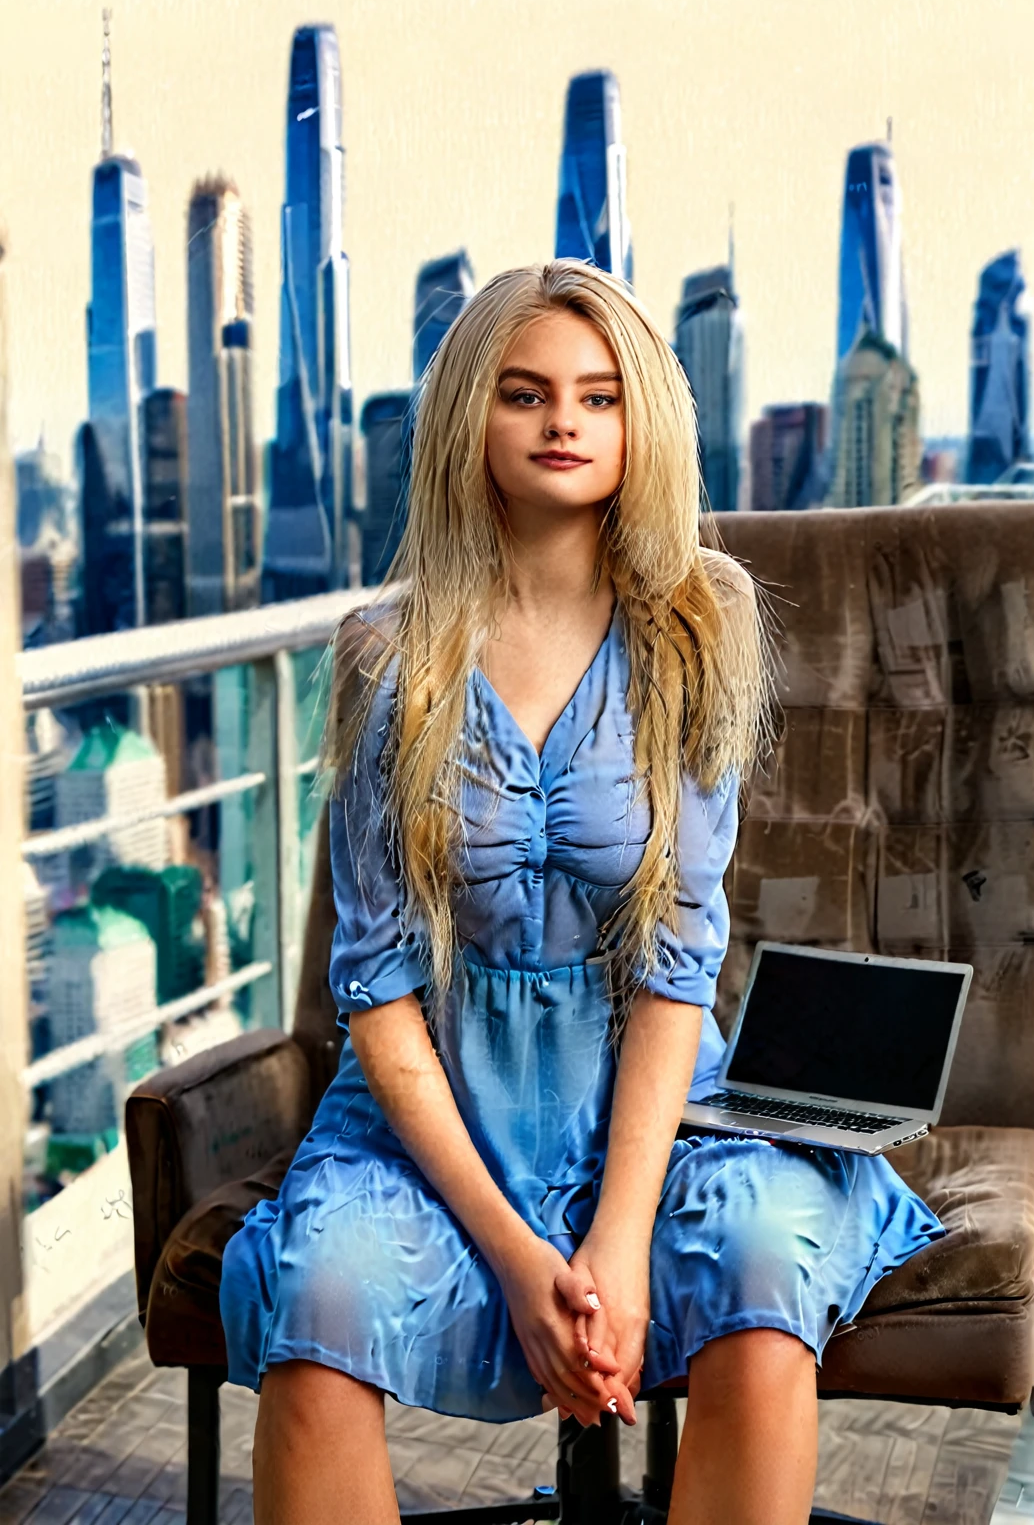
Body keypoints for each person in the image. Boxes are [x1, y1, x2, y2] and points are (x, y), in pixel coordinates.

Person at [219, 260, 943, 1525]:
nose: (564, 422)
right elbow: (376, 992)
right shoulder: (391, 656)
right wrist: (514, 1253)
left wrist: (614, 1240)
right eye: (526, 393)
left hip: (655, 1111)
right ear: (469, 421)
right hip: (432, 1119)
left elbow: (678, 967)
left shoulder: (698, 628)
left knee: (761, 1263)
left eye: (599, 397)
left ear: (638, 423)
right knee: (321, 1292)